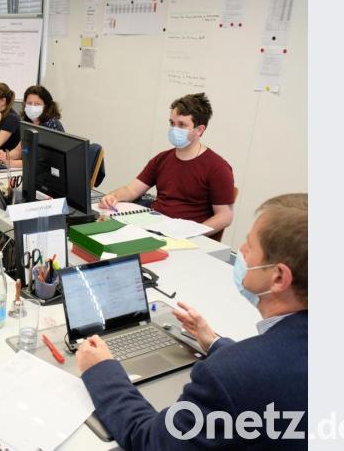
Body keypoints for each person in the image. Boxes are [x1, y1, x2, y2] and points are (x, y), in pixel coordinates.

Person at [77, 193, 308, 450]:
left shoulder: (229, 376)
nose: (240, 251)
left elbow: (153, 441)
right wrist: (217, 343)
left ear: (278, 278)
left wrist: (102, 370)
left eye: (250, 246)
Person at [98, 93, 235, 240]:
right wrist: (113, 196)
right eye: (172, 123)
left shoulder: (217, 167)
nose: (174, 129)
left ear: (199, 130)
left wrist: (193, 234)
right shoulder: (162, 159)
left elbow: (225, 216)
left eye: (182, 125)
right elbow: (131, 190)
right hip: (153, 227)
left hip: (185, 237)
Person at [0, 85, 65, 168]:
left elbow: (43, 161)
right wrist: (5, 156)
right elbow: (20, 150)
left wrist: (12, 163)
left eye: (37, 104)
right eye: (29, 103)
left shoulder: (52, 124)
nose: (32, 107)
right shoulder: (28, 122)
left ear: (46, 106)